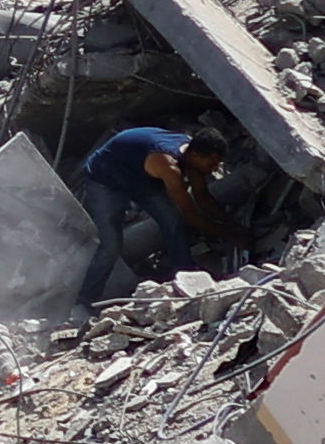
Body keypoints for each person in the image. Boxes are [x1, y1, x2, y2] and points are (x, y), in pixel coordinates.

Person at [71, 126, 240, 311]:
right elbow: (191, 215)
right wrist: (230, 234)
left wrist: (232, 225)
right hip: (105, 180)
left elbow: (203, 197)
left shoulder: (191, 157)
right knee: (111, 244)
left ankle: (185, 277)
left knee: (172, 221)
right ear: (197, 156)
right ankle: (85, 300)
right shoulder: (167, 164)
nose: (214, 169)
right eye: (211, 164)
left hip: (141, 178)